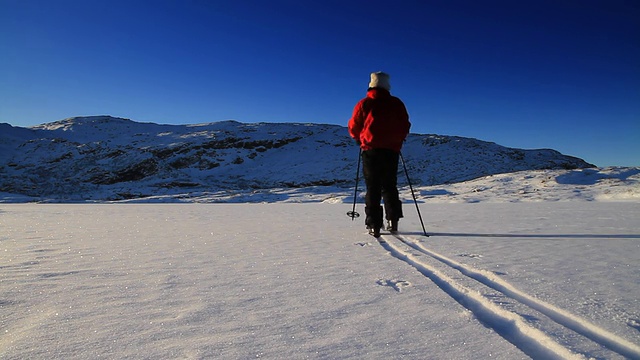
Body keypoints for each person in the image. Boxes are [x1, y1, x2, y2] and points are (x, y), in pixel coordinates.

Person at [348, 71, 411, 237]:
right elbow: (405, 124)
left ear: (371, 85)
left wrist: (359, 139)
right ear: (387, 85)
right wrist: (398, 139)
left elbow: (354, 126)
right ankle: (393, 220)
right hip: (391, 150)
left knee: (373, 187)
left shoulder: (364, 104)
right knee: (389, 185)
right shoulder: (396, 104)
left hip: (370, 150)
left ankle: (374, 225)